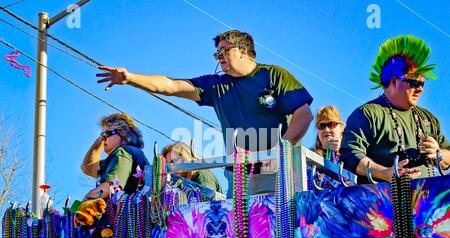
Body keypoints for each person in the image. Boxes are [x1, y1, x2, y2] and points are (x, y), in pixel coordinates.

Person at [96, 30, 314, 197]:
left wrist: (278, 152)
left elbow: (303, 115)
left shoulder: (273, 75)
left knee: (285, 229)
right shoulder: (216, 85)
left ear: (243, 51)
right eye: (216, 52)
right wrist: (130, 78)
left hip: (280, 167)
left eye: (224, 50)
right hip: (240, 172)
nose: (218, 56)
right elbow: (170, 85)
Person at [340, 35, 450, 183]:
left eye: (422, 84)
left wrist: (439, 153)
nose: (420, 90)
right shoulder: (367, 113)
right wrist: (385, 173)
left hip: (428, 203)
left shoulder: (428, 118)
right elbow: (350, 155)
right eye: (414, 83)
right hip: (382, 202)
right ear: (394, 81)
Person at [81, 113, 150, 199]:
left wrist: (87, 200)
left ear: (123, 132)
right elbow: (88, 166)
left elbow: (110, 188)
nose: (103, 139)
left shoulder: (123, 152)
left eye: (107, 133)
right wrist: (101, 137)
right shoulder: (125, 156)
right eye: (102, 135)